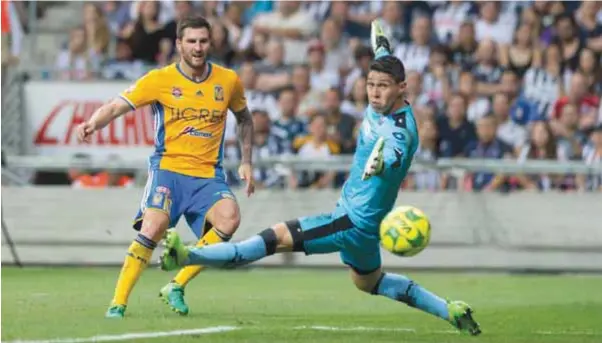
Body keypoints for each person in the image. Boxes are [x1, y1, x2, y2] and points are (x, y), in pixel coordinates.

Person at [159, 21, 481, 336]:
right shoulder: (385, 97)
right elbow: (383, 57)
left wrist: (378, 163)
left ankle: (187, 255)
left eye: (382, 87)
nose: (374, 92)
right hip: (367, 231)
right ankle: (448, 309)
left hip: (349, 223)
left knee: (268, 241)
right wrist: (381, 42)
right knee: (368, 282)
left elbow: (394, 153)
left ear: (402, 88)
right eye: (370, 84)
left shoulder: (399, 132)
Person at [76, 16, 255, 318]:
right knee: (154, 227)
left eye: (203, 41)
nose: (198, 48)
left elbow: (246, 119)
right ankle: (118, 303)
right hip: (168, 171)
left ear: (210, 43)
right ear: (179, 45)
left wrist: (247, 161)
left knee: (230, 218)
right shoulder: (159, 79)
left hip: (208, 176)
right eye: (192, 41)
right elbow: (118, 105)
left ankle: (176, 285)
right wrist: (93, 122)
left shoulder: (228, 80)